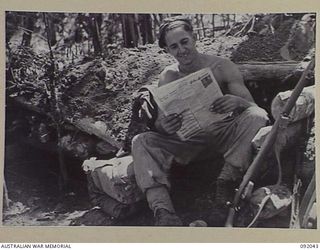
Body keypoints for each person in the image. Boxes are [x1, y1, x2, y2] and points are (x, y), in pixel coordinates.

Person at [131, 16, 269, 226]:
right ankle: (163, 212)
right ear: (168, 51)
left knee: (256, 117)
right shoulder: (168, 76)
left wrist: (237, 102)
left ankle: (224, 188)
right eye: (174, 47)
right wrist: (165, 126)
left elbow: (256, 110)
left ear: (194, 38)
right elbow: (160, 124)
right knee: (141, 141)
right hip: (188, 143)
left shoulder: (222, 67)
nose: (181, 50)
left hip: (225, 136)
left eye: (184, 42)